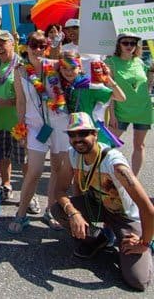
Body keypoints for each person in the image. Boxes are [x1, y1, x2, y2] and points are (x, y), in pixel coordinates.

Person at [50, 113, 154, 291]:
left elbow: (147, 208)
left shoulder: (114, 163)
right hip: (98, 207)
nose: (77, 139)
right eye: (72, 135)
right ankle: (99, 239)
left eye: (83, 133)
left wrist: (144, 243)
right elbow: (59, 190)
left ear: (95, 134)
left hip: (125, 217)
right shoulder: (73, 155)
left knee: (138, 281)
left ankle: (149, 243)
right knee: (58, 210)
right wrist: (73, 212)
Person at [10, 31, 72, 233]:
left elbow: (76, 70)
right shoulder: (20, 71)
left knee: (57, 169)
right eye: (33, 45)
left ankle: (51, 212)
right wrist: (21, 129)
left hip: (60, 124)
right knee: (34, 170)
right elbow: (20, 101)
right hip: (35, 127)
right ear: (26, 47)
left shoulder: (54, 65)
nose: (37, 50)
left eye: (41, 46)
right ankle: (21, 214)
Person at [108, 32, 154, 176]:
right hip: (121, 109)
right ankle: (106, 175)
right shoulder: (111, 62)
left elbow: (147, 85)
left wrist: (152, 72)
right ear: (118, 44)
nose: (129, 46)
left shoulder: (140, 62)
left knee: (139, 145)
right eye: (125, 43)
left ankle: (132, 180)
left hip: (143, 109)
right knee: (108, 145)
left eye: (133, 43)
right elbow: (109, 91)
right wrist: (112, 114)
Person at [0, 30, 23, 205]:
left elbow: (28, 98)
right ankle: (6, 184)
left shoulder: (21, 66)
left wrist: (6, 102)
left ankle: (28, 194)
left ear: (12, 43)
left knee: (23, 159)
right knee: (2, 156)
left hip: (19, 123)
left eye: (2, 43)